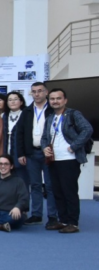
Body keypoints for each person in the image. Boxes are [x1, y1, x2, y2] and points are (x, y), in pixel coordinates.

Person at [40, 89, 93, 234]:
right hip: (53, 160)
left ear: (65, 100)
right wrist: (45, 148)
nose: (55, 101)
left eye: (58, 98)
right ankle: (63, 221)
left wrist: (74, 146)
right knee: (57, 192)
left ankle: (73, 223)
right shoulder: (50, 117)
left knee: (69, 192)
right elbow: (44, 137)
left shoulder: (73, 114)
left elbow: (87, 129)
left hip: (69, 159)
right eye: (52, 99)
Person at [22, 83, 57, 226]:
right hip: (32, 153)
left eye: (40, 91)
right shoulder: (27, 111)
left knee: (50, 185)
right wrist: (22, 153)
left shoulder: (53, 110)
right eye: (34, 91)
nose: (36, 94)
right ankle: (36, 215)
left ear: (46, 92)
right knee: (35, 185)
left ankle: (52, 216)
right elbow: (21, 133)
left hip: (49, 153)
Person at [3, 92, 30, 191]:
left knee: (22, 182)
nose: (12, 102)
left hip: (21, 154)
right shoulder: (4, 116)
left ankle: (24, 201)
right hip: (6, 153)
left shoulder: (26, 115)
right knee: (8, 183)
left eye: (15, 99)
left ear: (21, 102)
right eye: (10, 100)